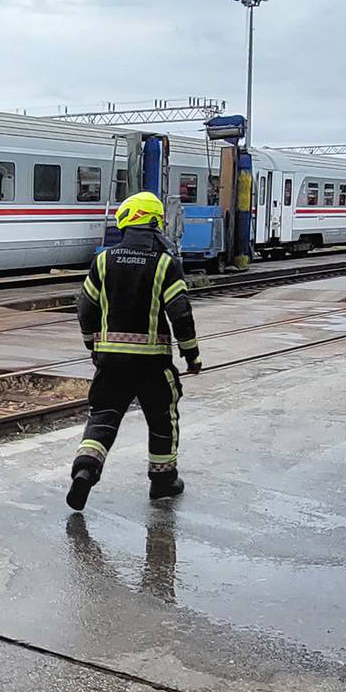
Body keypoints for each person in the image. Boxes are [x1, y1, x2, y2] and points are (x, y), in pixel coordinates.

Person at [67, 192, 202, 510]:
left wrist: (92, 344)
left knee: (102, 416)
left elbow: (85, 307)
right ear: (155, 221)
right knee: (162, 419)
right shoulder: (166, 263)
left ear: (128, 220)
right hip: (153, 364)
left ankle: (85, 470)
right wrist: (191, 354)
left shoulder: (103, 260)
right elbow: (180, 312)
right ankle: (163, 482)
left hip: (111, 363)